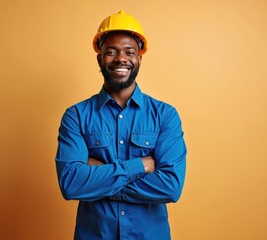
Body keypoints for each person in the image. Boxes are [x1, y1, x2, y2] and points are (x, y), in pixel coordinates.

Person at [55, 10, 187, 240]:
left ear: (139, 59)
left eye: (129, 52)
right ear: (99, 58)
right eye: (111, 52)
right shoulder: (76, 116)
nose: (120, 59)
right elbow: (72, 184)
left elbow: (171, 186)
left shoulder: (165, 115)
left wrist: (98, 178)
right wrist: (139, 166)